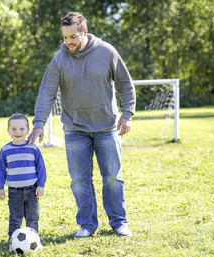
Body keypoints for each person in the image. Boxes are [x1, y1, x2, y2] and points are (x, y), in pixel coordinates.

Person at [27, 12, 135, 238]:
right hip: (75, 129)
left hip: (107, 127)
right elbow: (47, 92)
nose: (69, 42)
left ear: (84, 32)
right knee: (79, 180)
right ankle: (87, 224)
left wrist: (127, 113)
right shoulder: (60, 58)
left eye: (73, 37)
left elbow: (125, 84)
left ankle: (119, 222)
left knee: (113, 176)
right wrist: (39, 123)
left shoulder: (106, 52)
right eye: (65, 37)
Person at [0, 113, 47, 248]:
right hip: (14, 191)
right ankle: (13, 242)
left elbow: (41, 169)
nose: (18, 132)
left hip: (32, 189)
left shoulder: (33, 148)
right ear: (8, 131)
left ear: (28, 131)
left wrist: (40, 186)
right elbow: (0, 170)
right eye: (14, 129)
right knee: (15, 218)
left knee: (33, 218)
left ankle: (35, 241)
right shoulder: (5, 150)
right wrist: (0, 187)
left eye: (21, 129)